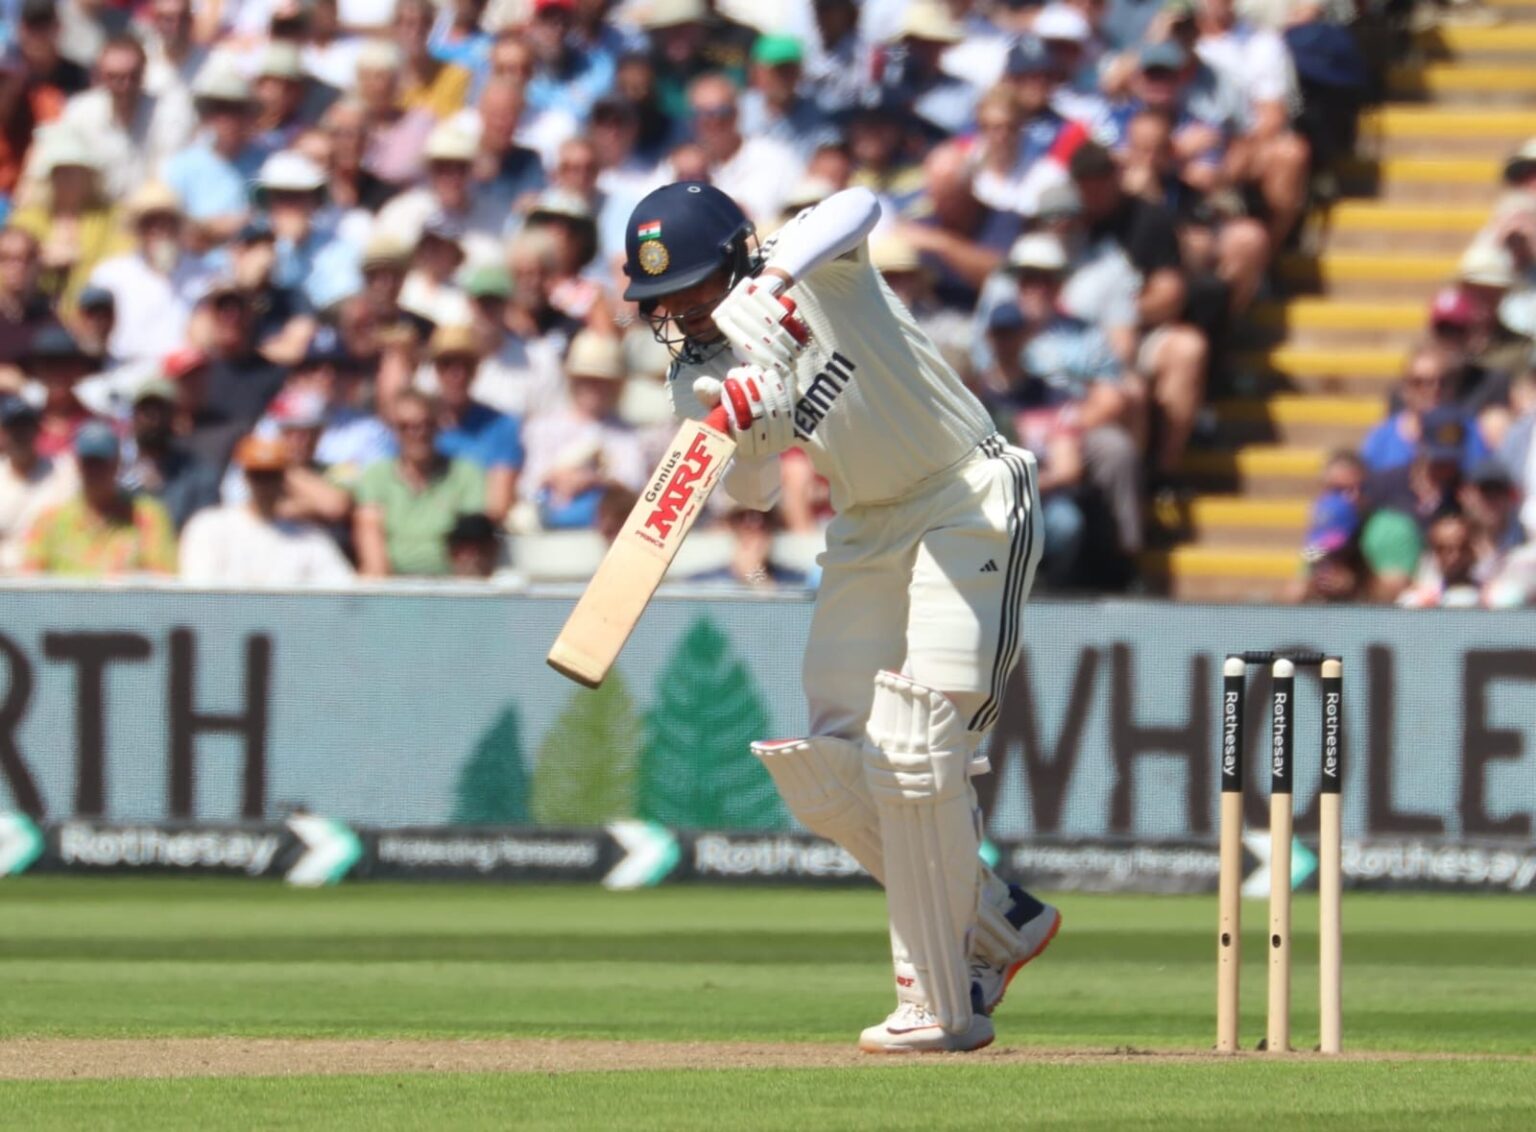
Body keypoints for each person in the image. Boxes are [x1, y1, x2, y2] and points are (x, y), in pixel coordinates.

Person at [622, 180, 1059, 1053]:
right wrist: (748, 422)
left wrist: (775, 282)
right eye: (664, 302)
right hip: (865, 529)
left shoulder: (817, 268)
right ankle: (995, 919)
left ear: (736, 262)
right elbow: (751, 491)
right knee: (824, 767)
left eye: (694, 291)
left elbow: (858, 202)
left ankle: (938, 1003)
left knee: (918, 743)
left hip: (966, 493)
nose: (682, 315)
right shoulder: (695, 373)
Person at [180, 434, 354, 586]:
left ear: (285, 478)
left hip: (289, 615)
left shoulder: (308, 538)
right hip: (226, 614)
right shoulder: (210, 526)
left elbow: (343, 592)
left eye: (272, 476)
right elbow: (199, 594)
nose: (265, 484)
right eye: (258, 476)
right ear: (245, 477)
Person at [353, 389, 485, 576]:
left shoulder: (465, 474)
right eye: (405, 426)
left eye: (426, 424)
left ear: (438, 425)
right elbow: (371, 542)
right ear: (393, 430)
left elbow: (469, 548)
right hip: (391, 584)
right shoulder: (375, 475)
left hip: (450, 584)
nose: (417, 433)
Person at [21, 420, 177, 577]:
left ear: (117, 463)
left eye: (102, 463)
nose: (95, 471)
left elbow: (162, 578)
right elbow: (30, 580)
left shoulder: (147, 516)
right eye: (89, 463)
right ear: (77, 464)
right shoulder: (49, 521)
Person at [0, 393, 77, 572]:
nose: (20, 435)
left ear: (37, 430)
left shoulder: (64, 471)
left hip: (50, 574)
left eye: (26, 428)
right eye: (14, 428)